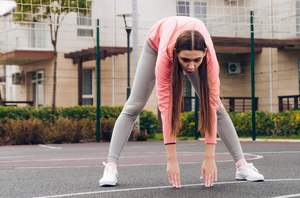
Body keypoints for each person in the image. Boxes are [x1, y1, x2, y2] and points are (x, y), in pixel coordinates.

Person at [99, 16, 264, 188]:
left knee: (218, 109)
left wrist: (210, 157)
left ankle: (241, 165)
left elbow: (210, 105)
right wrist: (172, 159)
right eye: (186, 60)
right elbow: (166, 107)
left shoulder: (210, 61)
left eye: (196, 60)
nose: (191, 67)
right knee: (134, 106)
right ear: (176, 54)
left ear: (205, 54)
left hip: (187, 47)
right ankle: (111, 167)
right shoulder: (165, 57)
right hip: (156, 45)